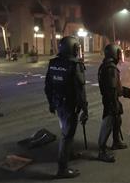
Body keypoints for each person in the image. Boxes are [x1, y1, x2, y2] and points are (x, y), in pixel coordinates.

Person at [44, 36, 88, 179]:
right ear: (74, 48)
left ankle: (69, 153)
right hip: (70, 105)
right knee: (67, 135)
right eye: (77, 47)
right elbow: (80, 90)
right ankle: (62, 169)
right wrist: (85, 109)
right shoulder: (75, 64)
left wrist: (51, 103)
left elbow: (48, 87)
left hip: (58, 104)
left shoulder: (53, 63)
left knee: (66, 130)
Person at [97, 43, 128, 163]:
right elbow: (111, 88)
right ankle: (102, 151)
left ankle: (116, 142)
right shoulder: (110, 68)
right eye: (118, 54)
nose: (120, 56)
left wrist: (123, 92)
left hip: (111, 99)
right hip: (111, 100)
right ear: (114, 54)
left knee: (117, 120)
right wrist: (113, 104)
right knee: (108, 123)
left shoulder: (106, 65)